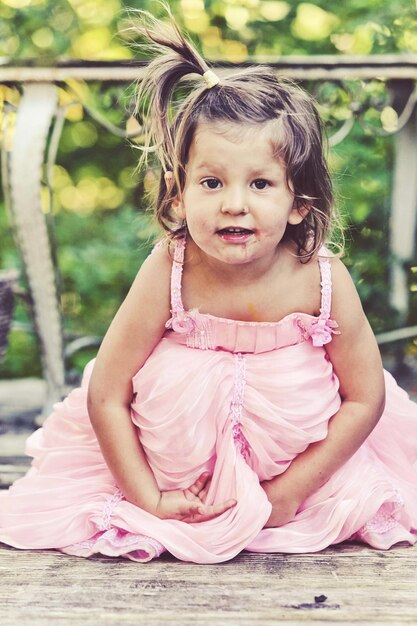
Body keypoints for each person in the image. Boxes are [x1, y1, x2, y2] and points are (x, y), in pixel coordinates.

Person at [1, 9, 416, 564]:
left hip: (301, 482)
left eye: (261, 183)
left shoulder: (320, 278)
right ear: (177, 194)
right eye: (212, 181)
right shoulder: (171, 267)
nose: (234, 203)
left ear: (299, 203)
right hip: (173, 483)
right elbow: (107, 390)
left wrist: (291, 491)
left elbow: (365, 396)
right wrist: (146, 496)